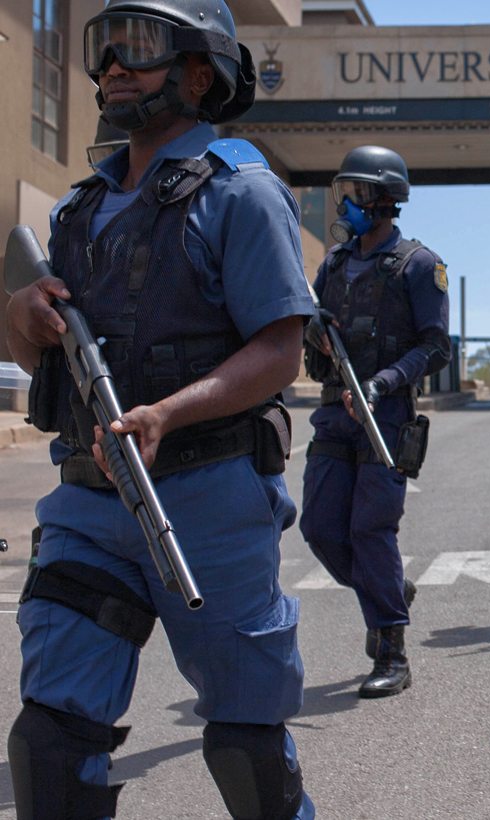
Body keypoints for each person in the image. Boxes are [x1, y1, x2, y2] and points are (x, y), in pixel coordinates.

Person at [4, 1, 317, 816]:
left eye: (138, 47)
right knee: (50, 745)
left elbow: (281, 351)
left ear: (198, 72)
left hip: (207, 496)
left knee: (248, 752)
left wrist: (167, 413)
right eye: (102, 48)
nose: (113, 64)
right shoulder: (75, 210)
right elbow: (39, 365)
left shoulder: (242, 195)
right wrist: (21, 315)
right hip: (88, 499)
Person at [300, 145, 451, 698]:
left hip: (385, 416)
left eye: (359, 192)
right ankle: (390, 591)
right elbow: (310, 331)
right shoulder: (334, 265)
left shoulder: (417, 264)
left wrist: (385, 381)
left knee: (370, 530)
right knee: (318, 527)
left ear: (387, 200)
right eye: (344, 190)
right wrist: (312, 333)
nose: (347, 201)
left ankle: (392, 648)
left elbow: (437, 348)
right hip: (334, 411)